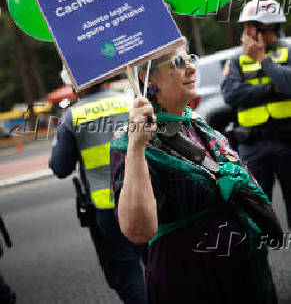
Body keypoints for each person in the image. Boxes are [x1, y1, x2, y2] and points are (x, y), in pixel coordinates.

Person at [110, 42, 278, 304]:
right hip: (190, 279)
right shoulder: (130, 141)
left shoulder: (196, 122)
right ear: (148, 78)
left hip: (241, 272)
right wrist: (136, 148)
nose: (190, 67)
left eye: (190, 58)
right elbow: (138, 231)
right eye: (178, 63)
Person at [49, 71, 147, 304]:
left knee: (128, 276)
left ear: (75, 83)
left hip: (107, 209)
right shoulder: (130, 102)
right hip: (145, 199)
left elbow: (60, 167)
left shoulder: (72, 116)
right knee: (156, 265)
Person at [221, 0, 291, 229]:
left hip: (288, 143)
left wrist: (262, 59)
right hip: (253, 147)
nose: (246, 30)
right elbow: (231, 95)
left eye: (251, 24)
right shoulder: (236, 60)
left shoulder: (288, 51)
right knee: (254, 219)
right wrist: (271, 88)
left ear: (268, 26)